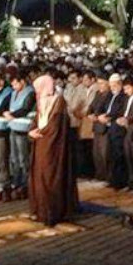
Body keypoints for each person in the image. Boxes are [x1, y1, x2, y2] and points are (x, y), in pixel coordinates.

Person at [28, 75, 78, 226]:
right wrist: (31, 131)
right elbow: (37, 120)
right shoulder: (40, 100)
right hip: (41, 144)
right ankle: (40, 210)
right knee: (39, 177)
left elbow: (56, 126)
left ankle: (52, 212)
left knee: (51, 177)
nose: (37, 92)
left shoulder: (59, 101)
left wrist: (41, 134)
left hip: (53, 147)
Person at [6, 74, 36, 199]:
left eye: (15, 84)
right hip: (13, 127)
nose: (13, 87)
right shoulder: (14, 93)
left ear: (22, 82)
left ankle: (25, 183)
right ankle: (16, 181)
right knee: (14, 157)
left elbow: (26, 108)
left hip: (23, 128)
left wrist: (12, 114)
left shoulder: (30, 93)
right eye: (12, 85)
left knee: (23, 157)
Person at [102, 74, 128, 189]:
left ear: (120, 84)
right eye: (111, 85)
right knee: (111, 155)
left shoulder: (123, 96)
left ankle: (120, 181)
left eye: (114, 85)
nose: (112, 87)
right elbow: (104, 108)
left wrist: (109, 117)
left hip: (118, 129)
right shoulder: (110, 95)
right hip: (109, 128)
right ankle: (112, 179)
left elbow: (120, 111)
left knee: (118, 156)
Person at [88, 72, 112, 181]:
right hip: (96, 125)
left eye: (102, 83)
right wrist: (90, 114)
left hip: (104, 127)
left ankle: (107, 176)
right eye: (99, 83)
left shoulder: (111, 95)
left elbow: (107, 110)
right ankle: (99, 174)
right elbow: (91, 106)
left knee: (105, 153)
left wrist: (97, 116)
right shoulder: (98, 93)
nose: (100, 86)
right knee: (96, 152)